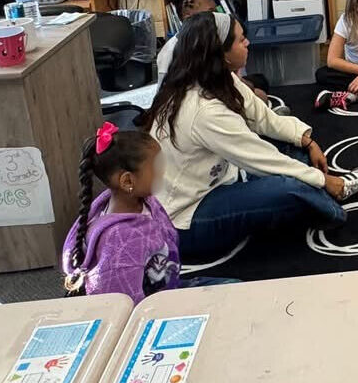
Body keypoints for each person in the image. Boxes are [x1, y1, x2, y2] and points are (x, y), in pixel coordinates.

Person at [146, 11, 358, 261]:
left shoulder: (219, 77)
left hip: (222, 179)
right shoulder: (203, 110)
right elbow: (260, 157)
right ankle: (334, 196)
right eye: (240, 40)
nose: (247, 43)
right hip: (185, 220)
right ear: (222, 54)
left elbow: (264, 118)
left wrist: (307, 140)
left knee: (291, 144)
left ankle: (315, 188)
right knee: (288, 187)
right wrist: (323, 180)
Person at [62, 123, 236, 302]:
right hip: (150, 307)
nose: (163, 173)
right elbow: (125, 303)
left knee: (236, 289)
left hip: (167, 287)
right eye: (156, 169)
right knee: (231, 301)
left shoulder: (145, 201)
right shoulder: (120, 240)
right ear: (127, 181)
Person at [157, 0, 283, 112]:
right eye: (211, 12)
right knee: (260, 95)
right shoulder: (182, 51)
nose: (218, 16)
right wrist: (248, 90)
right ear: (189, 18)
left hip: (215, 84)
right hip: (204, 94)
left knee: (260, 81)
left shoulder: (207, 39)